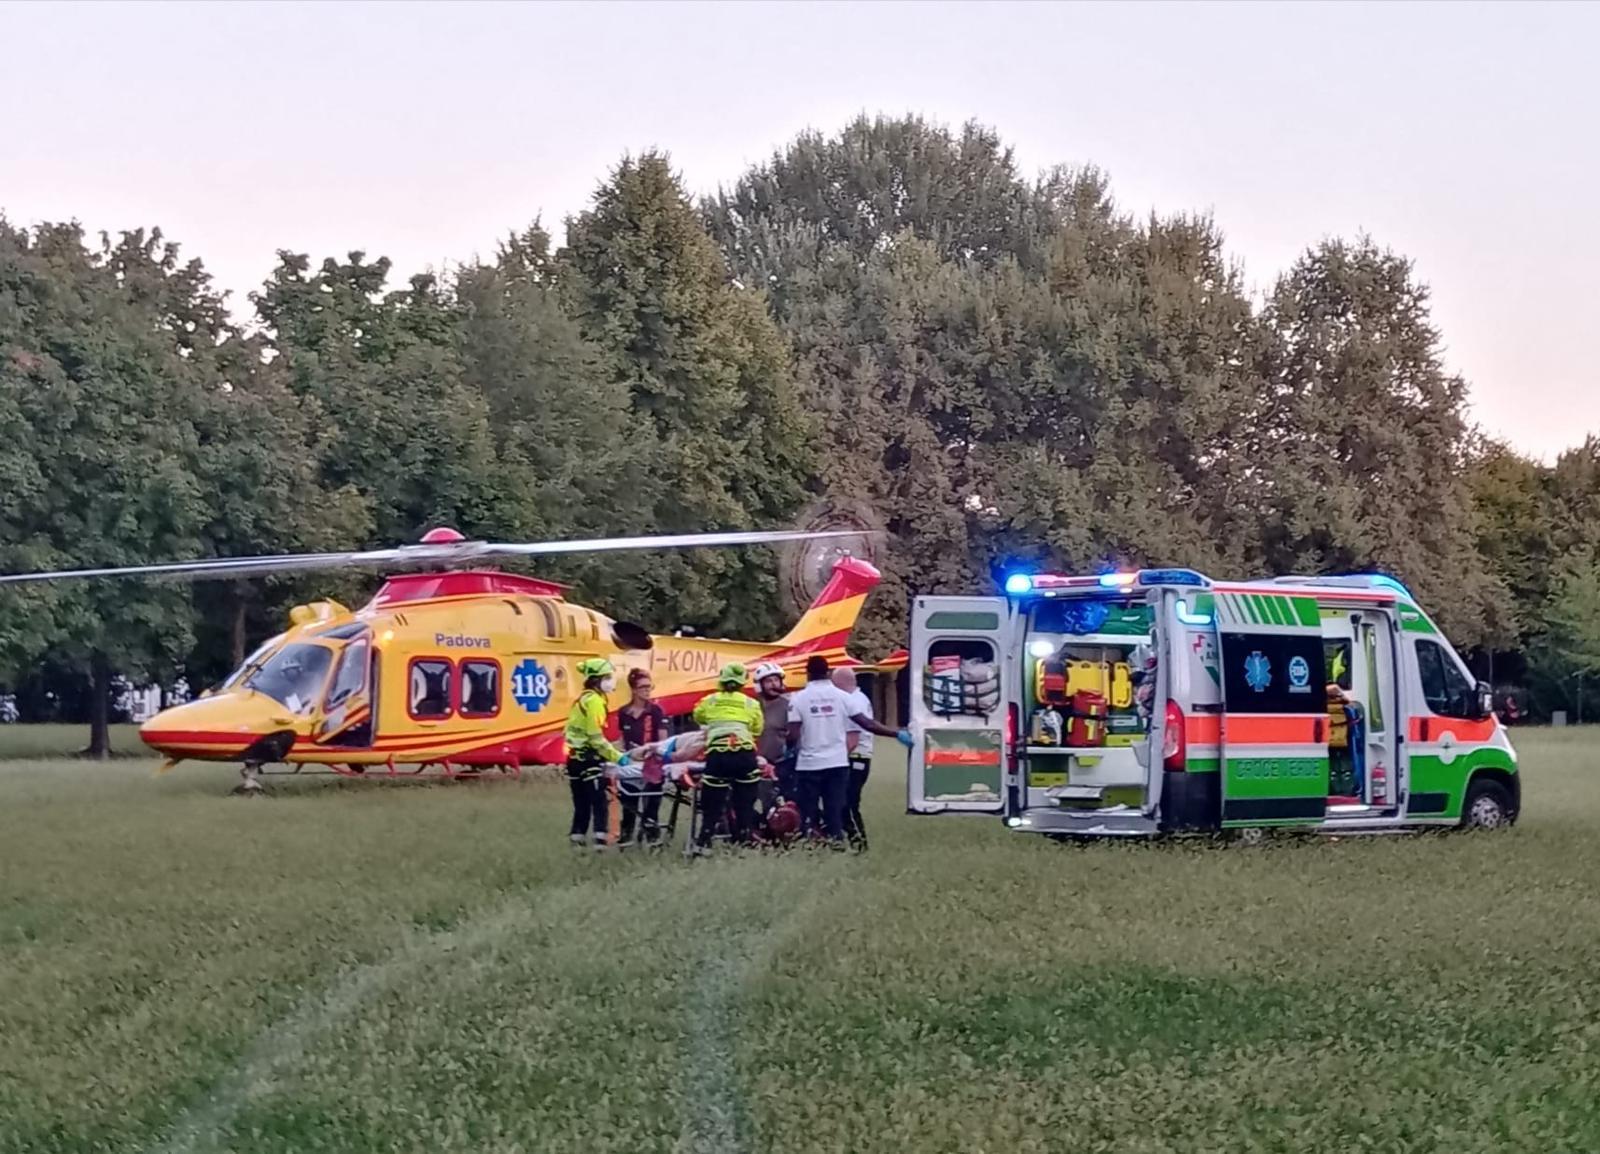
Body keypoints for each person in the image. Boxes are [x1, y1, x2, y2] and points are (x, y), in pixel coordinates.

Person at [787, 655, 909, 845]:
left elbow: (793, 734)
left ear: (807, 673)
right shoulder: (843, 697)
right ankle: (837, 845)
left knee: (808, 812)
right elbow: (867, 724)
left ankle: (808, 848)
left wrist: (788, 751)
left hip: (808, 765)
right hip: (837, 764)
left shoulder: (798, 699)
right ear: (827, 672)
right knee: (834, 811)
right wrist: (896, 734)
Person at [691, 663, 765, 852]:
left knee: (712, 804)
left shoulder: (710, 700)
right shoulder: (751, 703)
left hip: (719, 756)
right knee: (745, 804)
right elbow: (758, 729)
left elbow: (698, 717)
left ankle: (703, 845)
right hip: (744, 755)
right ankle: (742, 844)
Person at [564, 657, 627, 850]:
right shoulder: (594, 702)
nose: (611, 681)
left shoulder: (582, 699)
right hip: (588, 759)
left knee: (581, 804)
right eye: (607, 677)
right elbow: (596, 738)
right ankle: (600, 844)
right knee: (598, 801)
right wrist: (619, 757)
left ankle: (577, 843)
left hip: (574, 758)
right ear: (596, 680)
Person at [617, 667, 668, 847]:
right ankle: (627, 836)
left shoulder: (656, 711)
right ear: (633, 689)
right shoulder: (623, 712)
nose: (647, 690)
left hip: (652, 761)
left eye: (649, 686)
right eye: (643, 687)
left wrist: (651, 751)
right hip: (631, 760)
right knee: (628, 803)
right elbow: (622, 739)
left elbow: (663, 740)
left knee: (652, 803)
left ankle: (652, 835)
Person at [832, 666, 876, 850]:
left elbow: (852, 738)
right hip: (858, 757)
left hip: (855, 758)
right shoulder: (859, 698)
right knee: (844, 802)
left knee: (847, 804)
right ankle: (851, 841)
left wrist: (836, 761)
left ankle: (859, 843)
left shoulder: (852, 702)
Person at [753, 661, 793, 808]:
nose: (773, 684)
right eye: (769, 681)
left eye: (776, 680)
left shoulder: (788, 705)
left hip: (779, 764)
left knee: (776, 806)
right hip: (753, 763)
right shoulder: (752, 705)